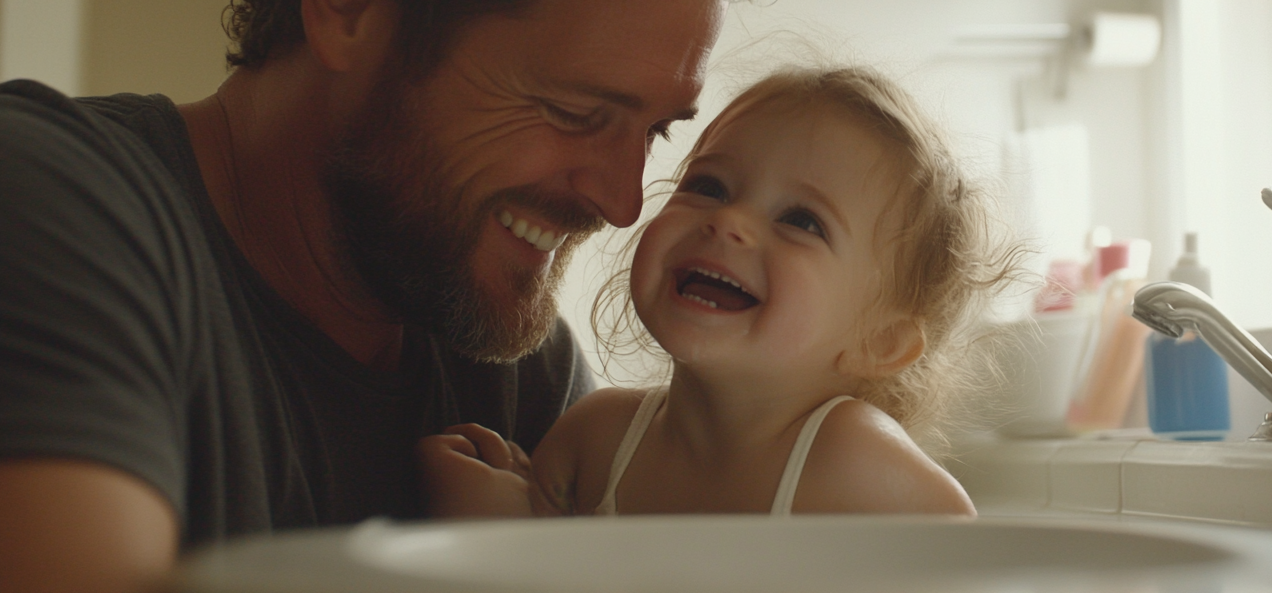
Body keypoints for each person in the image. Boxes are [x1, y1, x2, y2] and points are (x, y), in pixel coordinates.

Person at [0, 0, 801, 591]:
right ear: (349, 0)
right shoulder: (51, 206)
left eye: (657, 131)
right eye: (574, 111)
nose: (622, 201)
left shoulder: (517, 377)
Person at [417, 66, 1026, 517]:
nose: (728, 220)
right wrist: (495, 517)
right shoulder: (595, 439)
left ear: (882, 341)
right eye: (708, 185)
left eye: (801, 221)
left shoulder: (856, 468)